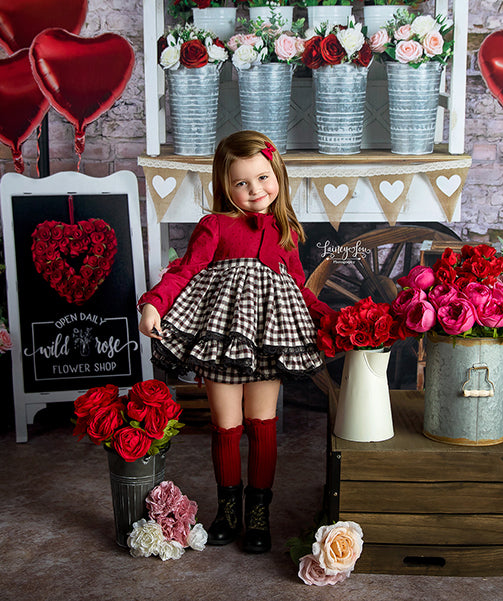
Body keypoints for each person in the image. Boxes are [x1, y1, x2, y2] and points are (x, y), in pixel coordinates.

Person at [138, 130, 334, 554]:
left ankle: (258, 510)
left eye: (263, 178)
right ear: (224, 185)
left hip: (270, 341)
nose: (254, 190)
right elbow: (184, 271)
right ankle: (228, 507)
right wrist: (154, 303)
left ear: (277, 174)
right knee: (227, 427)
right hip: (220, 339)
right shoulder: (215, 225)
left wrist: (328, 317)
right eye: (241, 183)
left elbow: (300, 288)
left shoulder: (285, 231)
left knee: (262, 426)